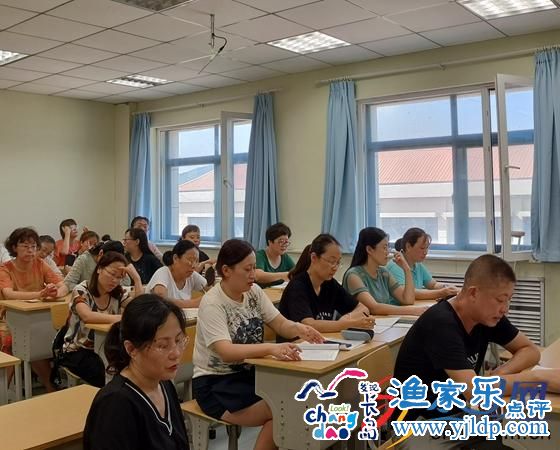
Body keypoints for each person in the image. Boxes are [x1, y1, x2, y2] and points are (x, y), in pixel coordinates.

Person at [393, 254, 560, 449]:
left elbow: (530, 350)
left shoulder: (487, 315)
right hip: (419, 426)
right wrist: (539, 378)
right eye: (500, 300)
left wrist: (501, 372)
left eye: (508, 300)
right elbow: (475, 391)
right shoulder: (441, 324)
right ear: (473, 293)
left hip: (459, 416)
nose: (505, 309)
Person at [192, 239, 323, 450]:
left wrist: (300, 329)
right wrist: (271, 348)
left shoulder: (253, 292)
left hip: (249, 374)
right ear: (226, 270)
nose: (253, 274)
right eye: (247, 269)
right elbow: (226, 352)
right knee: (284, 411)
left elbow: (280, 323)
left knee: (299, 401)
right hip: (215, 383)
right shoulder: (213, 303)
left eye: (254, 268)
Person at [83, 294, 190, 450]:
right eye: (162, 345)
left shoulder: (164, 384)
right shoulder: (115, 404)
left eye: (179, 340)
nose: (176, 353)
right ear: (131, 349)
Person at [0, 227, 69, 392]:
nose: (30, 250)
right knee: (16, 340)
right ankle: (4, 392)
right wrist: (40, 294)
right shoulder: (5, 268)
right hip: (8, 318)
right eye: (25, 246)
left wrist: (55, 293)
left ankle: (50, 386)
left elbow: (63, 285)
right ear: (14, 247)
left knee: (41, 337)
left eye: (33, 246)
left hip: (36, 316)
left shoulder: (40, 264)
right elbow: (9, 294)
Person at [61, 252, 142, 387]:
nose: (115, 280)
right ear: (99, 269)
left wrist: (137, 279)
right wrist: (121, 317)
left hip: (108, 347)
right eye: (112, 274)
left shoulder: (119, 293)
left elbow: (139, 309)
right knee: (106, 374)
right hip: (78, 350)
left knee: (134, 366)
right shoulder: (82, 290)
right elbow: (87, 316)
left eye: (119, 277)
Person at [278, 233, 374, 335]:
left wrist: (347, 318)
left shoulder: (330, 284)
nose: (335, 267)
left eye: (338, 262)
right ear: (314, 258)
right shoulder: (297, 286)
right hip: (297, 343)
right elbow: (309, 325)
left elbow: (362, 308)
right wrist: (348, 324)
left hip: (323, 340)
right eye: (332, 261)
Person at [343, 227, 425, 315]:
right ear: (369, 249)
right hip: (363, 323)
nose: (388, 252)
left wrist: (406, 269)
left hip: (382, 321)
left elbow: (408, 300)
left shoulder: (383, 273)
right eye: (384, 247)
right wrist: (412, 311)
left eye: (388, 247)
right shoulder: (353, 275)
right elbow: (374, 308)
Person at [386, 227, 458, 301]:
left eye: (427, 248)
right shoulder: (395, 265)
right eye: (422, 248)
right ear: (408, 246)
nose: (425, 252)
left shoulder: (417, 264)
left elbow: (433, 285)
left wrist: (448, 287)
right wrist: (441, 293)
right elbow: (409, 293)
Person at [146, 240, 207, 308]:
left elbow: (211, 290)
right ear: (175, 258)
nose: (194, 265)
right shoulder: (163, 272)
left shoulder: (192, 275)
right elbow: (161, 299)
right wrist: (193, 303)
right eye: (190, 260)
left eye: (196, 261)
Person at [255, 222, 295, 288]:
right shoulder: (259, 255)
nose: (284, 245)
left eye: (286, 242)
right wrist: (286, 275)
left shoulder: (284, 256)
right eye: (281, 241)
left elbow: (297, 272)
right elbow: (258, 276)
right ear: (270, 242)